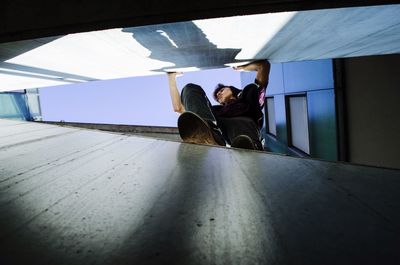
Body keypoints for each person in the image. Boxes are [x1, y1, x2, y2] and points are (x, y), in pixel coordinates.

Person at [167, 60, 270, 150]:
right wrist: (171, 77)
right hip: (219, 128)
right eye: (217, 96)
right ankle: (208, 134)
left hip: (246, 129)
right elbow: (178, 108)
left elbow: (263, 66)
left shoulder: (249, 97)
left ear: (231, 88)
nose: (218, 94)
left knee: (243, 133)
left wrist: (242, 67)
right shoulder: (216, 111)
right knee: (190, 89)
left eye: (221, 90)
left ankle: (251, 146)